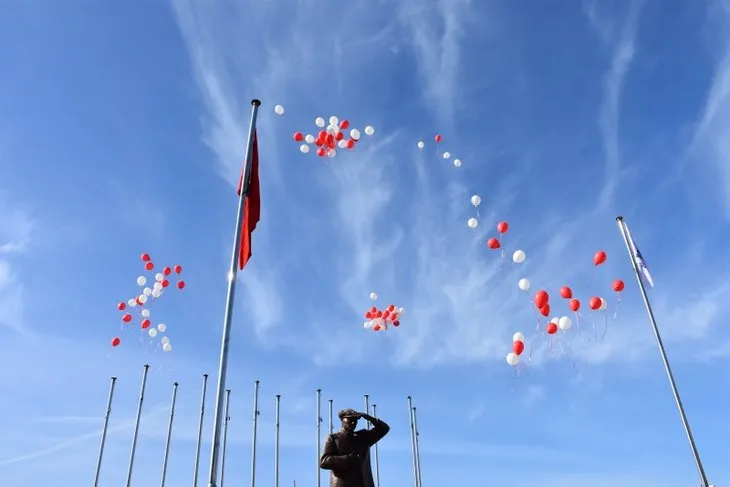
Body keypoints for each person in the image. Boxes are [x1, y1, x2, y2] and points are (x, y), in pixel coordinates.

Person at [320, 408, 390, 487]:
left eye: (355, 420)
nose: (353, 422)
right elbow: (324, 461)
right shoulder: (333, 438)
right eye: (350, 419)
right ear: (342, 420)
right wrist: (347, 459)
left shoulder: (363, 437)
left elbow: (384, 429)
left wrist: (369, 418)